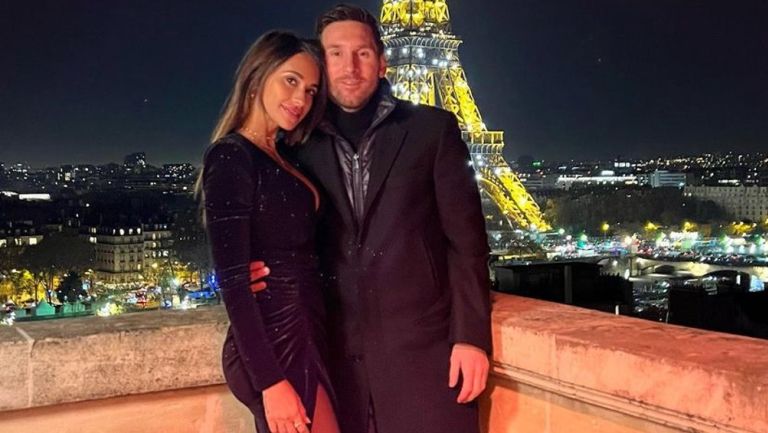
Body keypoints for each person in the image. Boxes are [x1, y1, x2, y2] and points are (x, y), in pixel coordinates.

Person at [253, 5, 493, 432]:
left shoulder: (433, 130)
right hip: (332, 363)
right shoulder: (293, 145)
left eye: (362, 53)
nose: (350, 67)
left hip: (426, 362)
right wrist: (245, 269)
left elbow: (467, 243)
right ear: (320, 64)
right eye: (336, 53)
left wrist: (471, 337)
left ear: (382, 62)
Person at [201, 30, 340, 433]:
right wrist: (271, 382)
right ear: (258, 75)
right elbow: (233, 283)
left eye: (312, 90)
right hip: (277, 341)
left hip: (306, 329)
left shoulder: (281, 157)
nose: (301, 100)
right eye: (290, 80)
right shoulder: (232, 156)